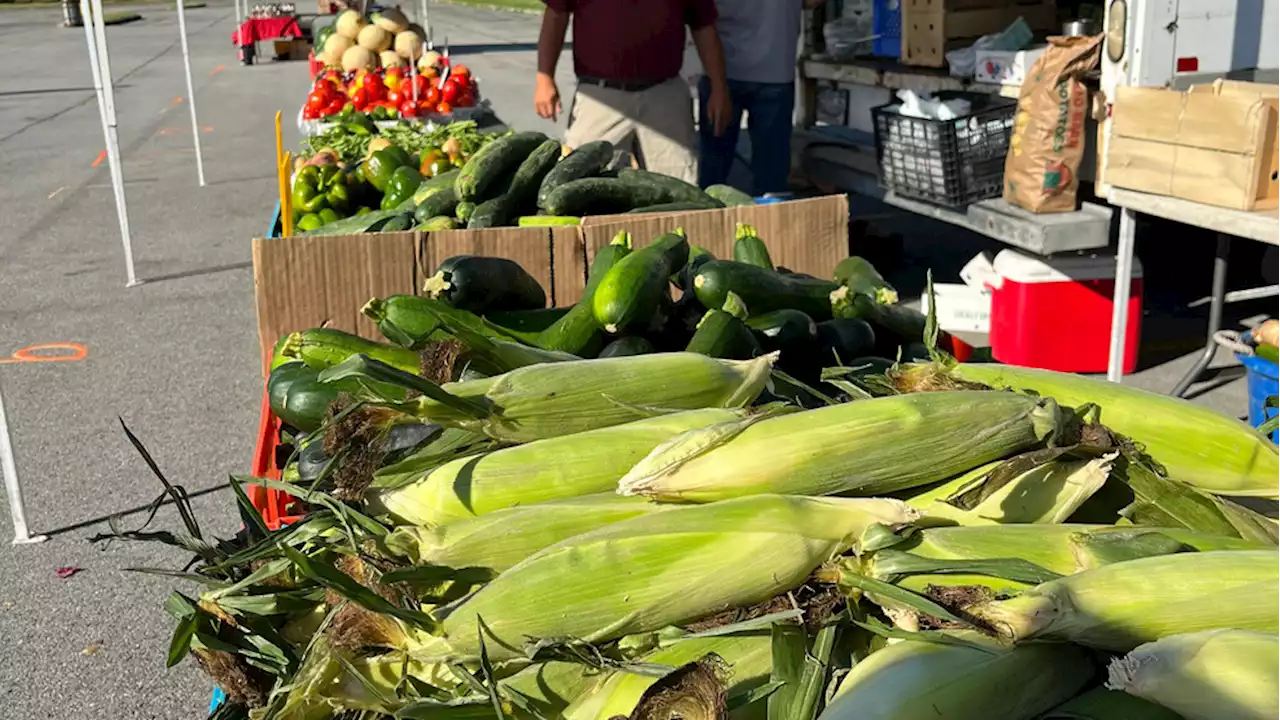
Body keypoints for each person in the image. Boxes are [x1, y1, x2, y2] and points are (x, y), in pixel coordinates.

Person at [533, 0, 733, 184]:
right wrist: (545, 77)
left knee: (679, 185)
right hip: (600, 97)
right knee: (581, 183)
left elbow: (704, 27)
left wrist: (719, 86)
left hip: (664, 95)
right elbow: (556, 15)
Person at [698, 0, 825, 195]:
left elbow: (698, 15)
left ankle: (706, 222)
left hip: (724, 73)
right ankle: (768, 222)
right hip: (770, 70)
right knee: (771, 179)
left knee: (712, 174)